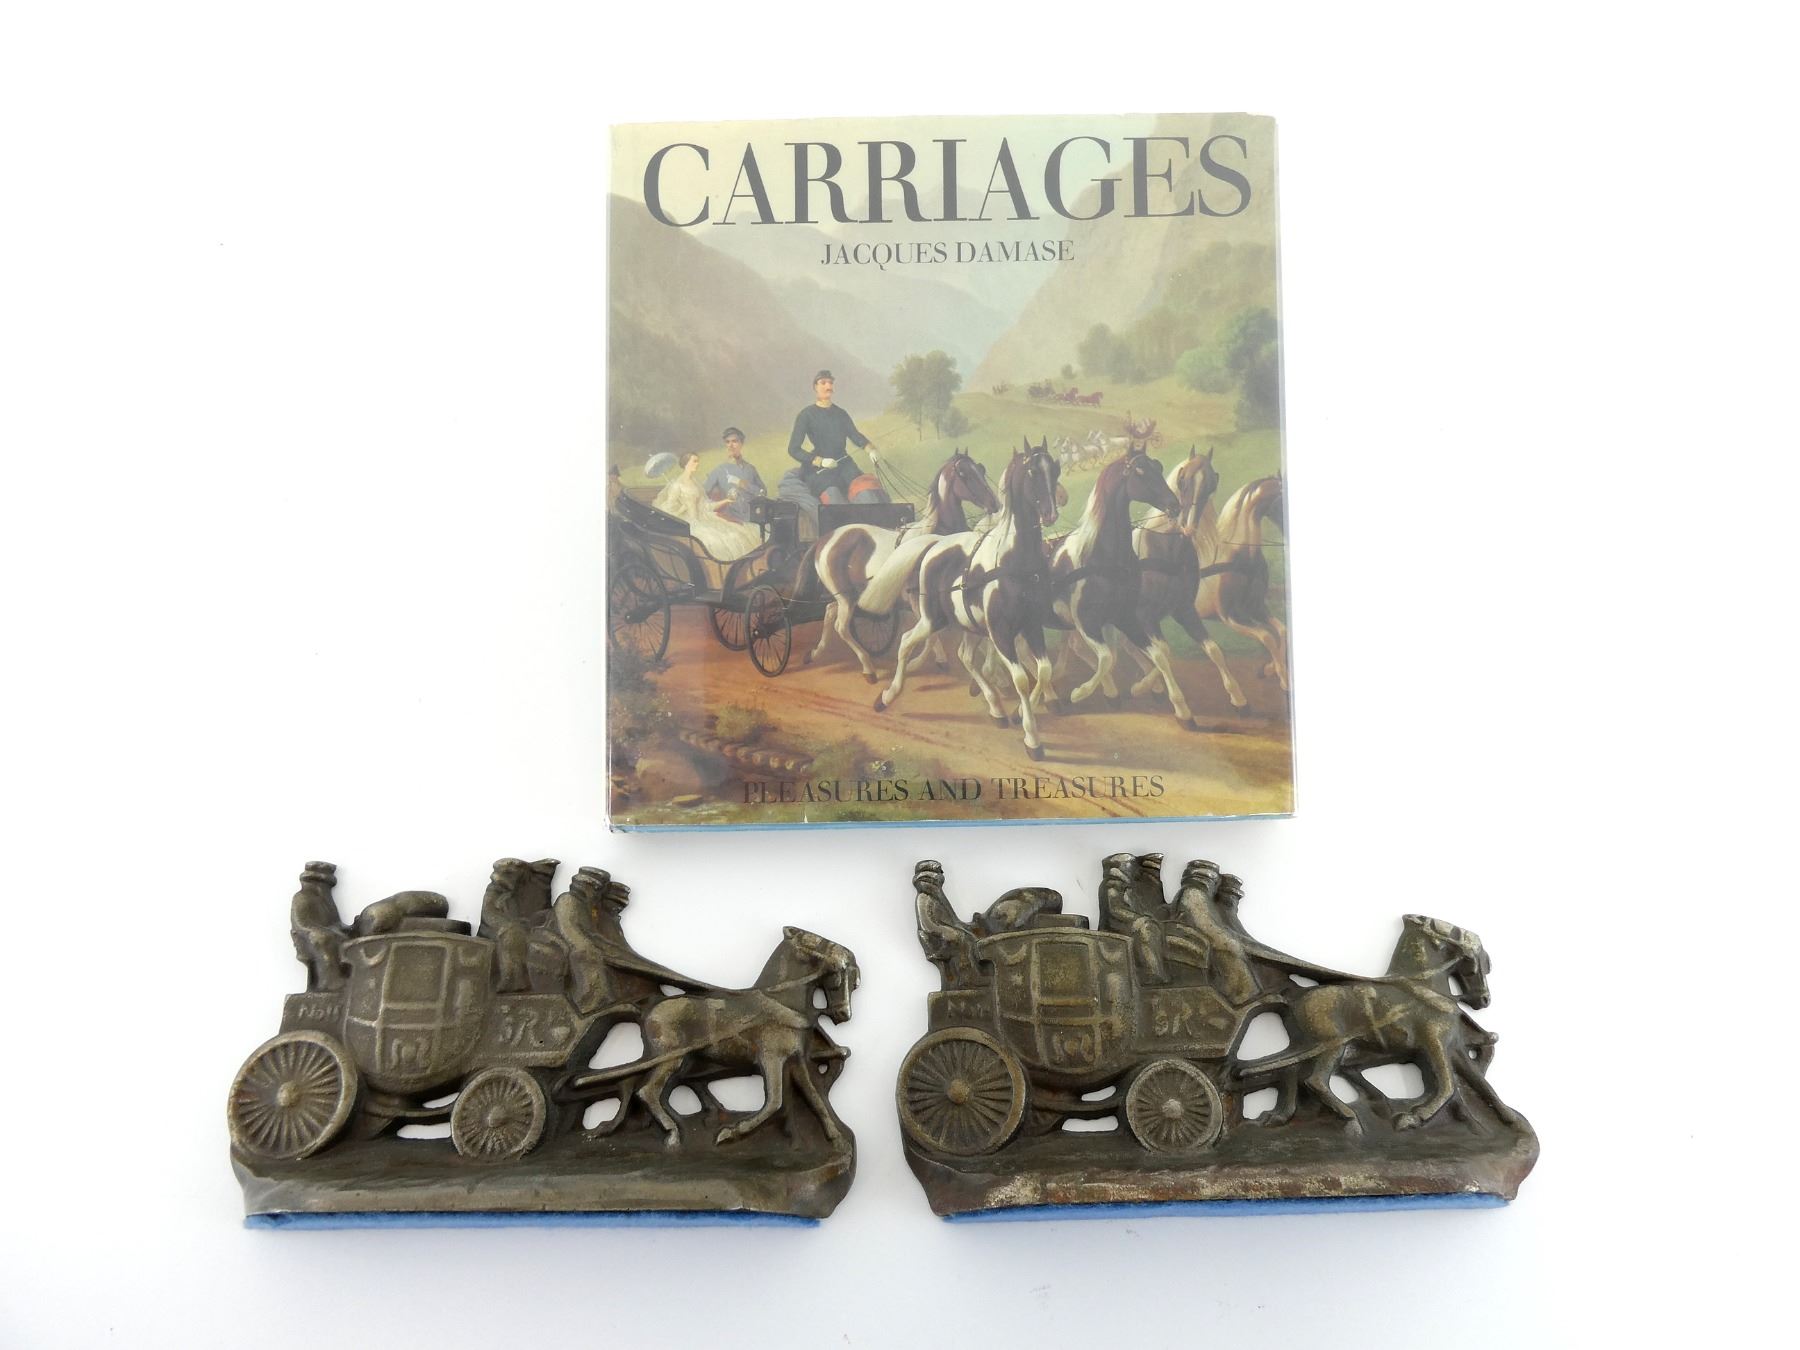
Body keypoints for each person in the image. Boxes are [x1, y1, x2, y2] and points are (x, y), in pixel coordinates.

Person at [778, 369, 881, 528]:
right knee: (834, 498)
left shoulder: (841, 413)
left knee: (865, 491)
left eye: (830, 383)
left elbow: (855, 435)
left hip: (845, 464)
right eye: (823, 383)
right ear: (815, 387)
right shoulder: (806, 414)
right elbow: (793, 449)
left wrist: (870, 449)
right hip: (820, 470)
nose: (828, 386)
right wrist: (819, 461)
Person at [652, 452, 762, 559]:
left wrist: (726, 501)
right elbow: (668, 510)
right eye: (694, 461)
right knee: (717, 540)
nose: (697, 464)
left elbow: (706, 507)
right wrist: (683, 508)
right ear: (686, 464)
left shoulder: (694, 482)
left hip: (704, 518)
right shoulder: (676, 485)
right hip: (691, 523)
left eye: (698, 461)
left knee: (737, 533)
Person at [703, 427, 767, 523]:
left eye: (734, 441)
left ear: (741, 443)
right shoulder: (720, 470)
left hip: (752, 519)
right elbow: (703, 493)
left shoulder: (750, 469)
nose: (730, 445)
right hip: (731, 521)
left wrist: (743, 484)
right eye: (727, 442)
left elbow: (763, 493)